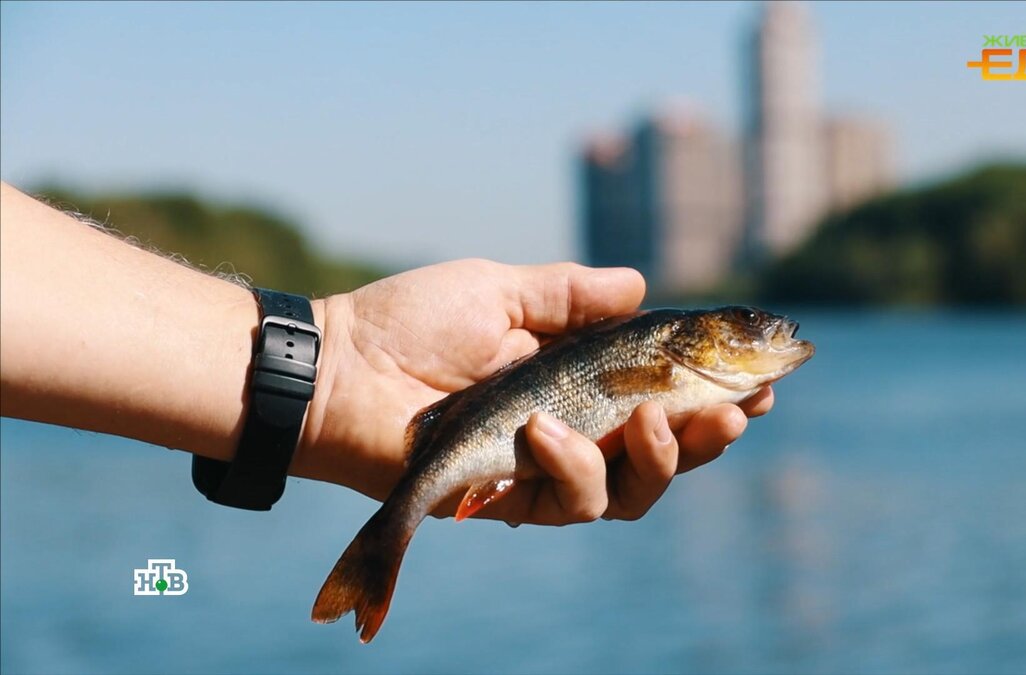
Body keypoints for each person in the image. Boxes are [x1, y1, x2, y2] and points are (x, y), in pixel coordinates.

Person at [0, 181, 773, 524]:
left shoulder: (683, 361)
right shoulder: (665, 350)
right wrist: (328, 370)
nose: (764, 330)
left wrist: (334, 372)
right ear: (694, 339)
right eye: (744, 322)